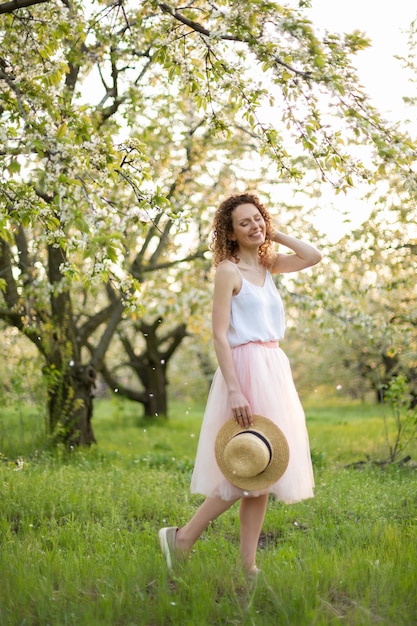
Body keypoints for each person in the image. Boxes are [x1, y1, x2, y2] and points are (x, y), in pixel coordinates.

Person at [159, 192, 322, 578]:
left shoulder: (270, 266)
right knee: (242, 467)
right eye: (244, 222)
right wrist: (234, 389)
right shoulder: (228, 272)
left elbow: (313, 256)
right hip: (245, 368)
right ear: (229, 233)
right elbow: (219, 335)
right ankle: (182, 537)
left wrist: (273, 233)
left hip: (274, 368)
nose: (254, 226)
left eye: (258, 219)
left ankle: (247, 565)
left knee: (264, 469)